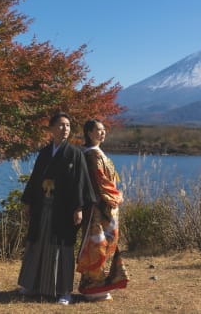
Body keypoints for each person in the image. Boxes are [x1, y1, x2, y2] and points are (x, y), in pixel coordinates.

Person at [17, 112, 95, 305]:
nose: (65, 129)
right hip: (43, 205)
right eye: (61, 125)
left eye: (68, 125)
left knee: (63, 248)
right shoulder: (44, 152)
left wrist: (79, 208)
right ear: (51, 129)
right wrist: (28, 202)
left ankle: (64, 291)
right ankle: (32, 285)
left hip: (64, 208)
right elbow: (35, 178)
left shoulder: (75, 153)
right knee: (38, 243)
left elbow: (81, 183)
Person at [77, 119, 129, 301]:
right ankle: (95, 287)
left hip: (106, 207)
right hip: (98, 208)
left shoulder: (97, 153)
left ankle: (101, 286)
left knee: (106, 245)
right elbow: (100, 183)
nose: (102, 133)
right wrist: (117, 196)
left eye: (104, 130)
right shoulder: (91, 155)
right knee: (97, 246)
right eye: (98, 130)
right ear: (89, 133)